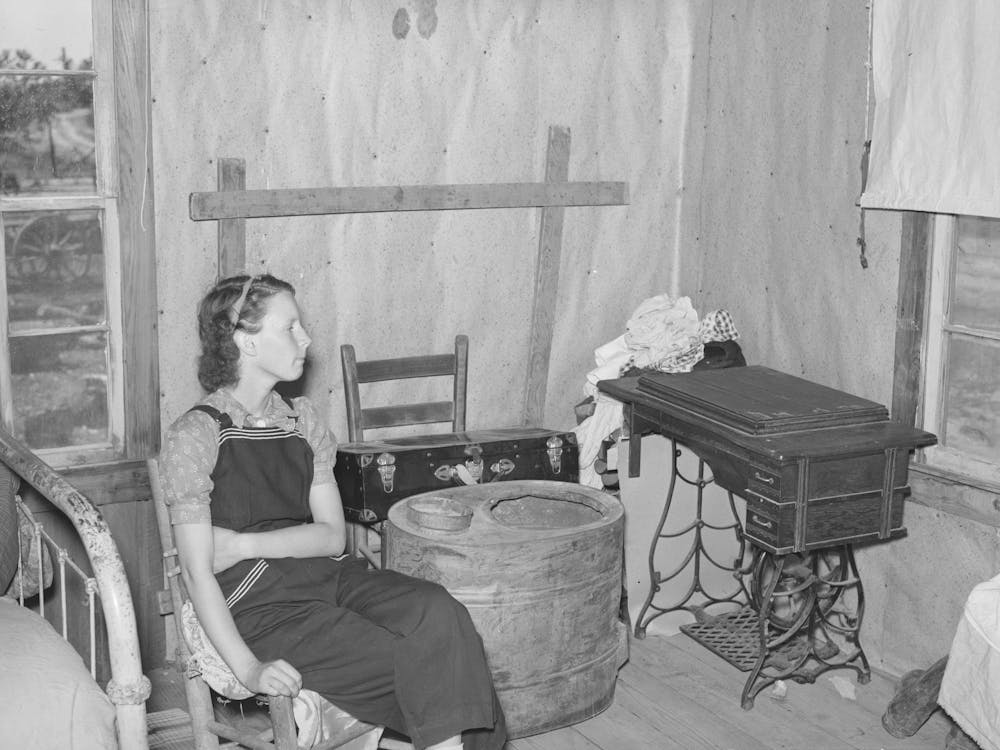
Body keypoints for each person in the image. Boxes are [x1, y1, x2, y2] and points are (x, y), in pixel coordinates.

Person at [158, 273, 506, 750]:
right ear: (247, 342)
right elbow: (199, 575)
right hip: (262, 608)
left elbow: (332, 538)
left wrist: (241, 544)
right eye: (291, 327)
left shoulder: (302, 421)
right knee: (412, 656)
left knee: (441, 614)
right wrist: (250, 668)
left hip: (332, 577)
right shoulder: (195, 436)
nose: (307, 339)